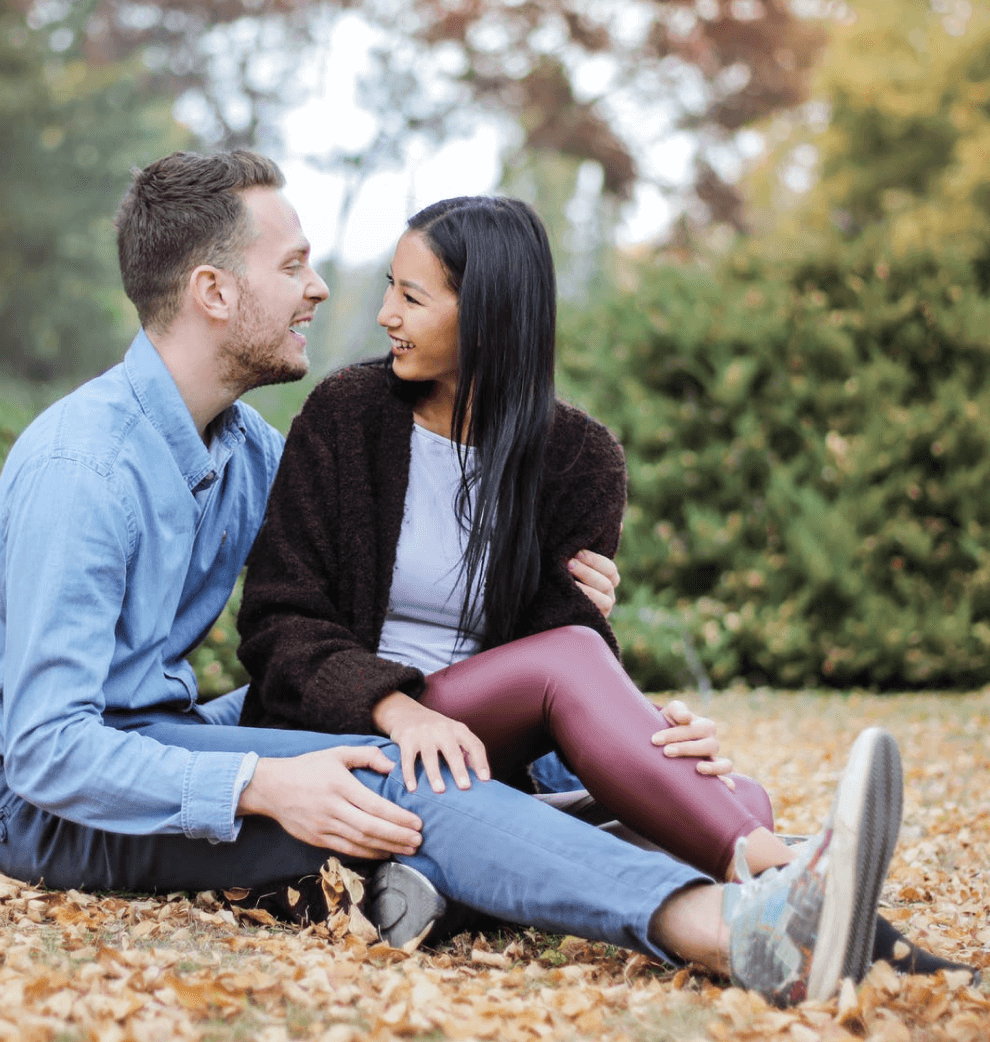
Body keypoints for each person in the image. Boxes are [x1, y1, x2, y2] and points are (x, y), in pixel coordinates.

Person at [0, 149, 906, 1007]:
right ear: (212, 291)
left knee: (429, 766)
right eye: (292, 266)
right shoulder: (83, 472)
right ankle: (731, 926)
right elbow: (49, 749)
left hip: (171, 735)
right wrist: (259, 785)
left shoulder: (245, 451)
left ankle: (710, 853)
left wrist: (620, 706)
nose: (322, 290)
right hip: (50, 805)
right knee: (397, 772)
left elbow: (370, 589)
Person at [235, 195, 973, 978]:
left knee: (731, 791)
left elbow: (556, 650)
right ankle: (784, 877)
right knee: (683, 779)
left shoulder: (578, 458)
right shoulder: (348, 415)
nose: (386, 313)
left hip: (480, 750)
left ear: (487, 314)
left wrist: (647, 728)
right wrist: (396, 706)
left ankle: (437, 885)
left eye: (410, 297)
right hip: (346, 728)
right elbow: (278, 620)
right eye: (391, 287)